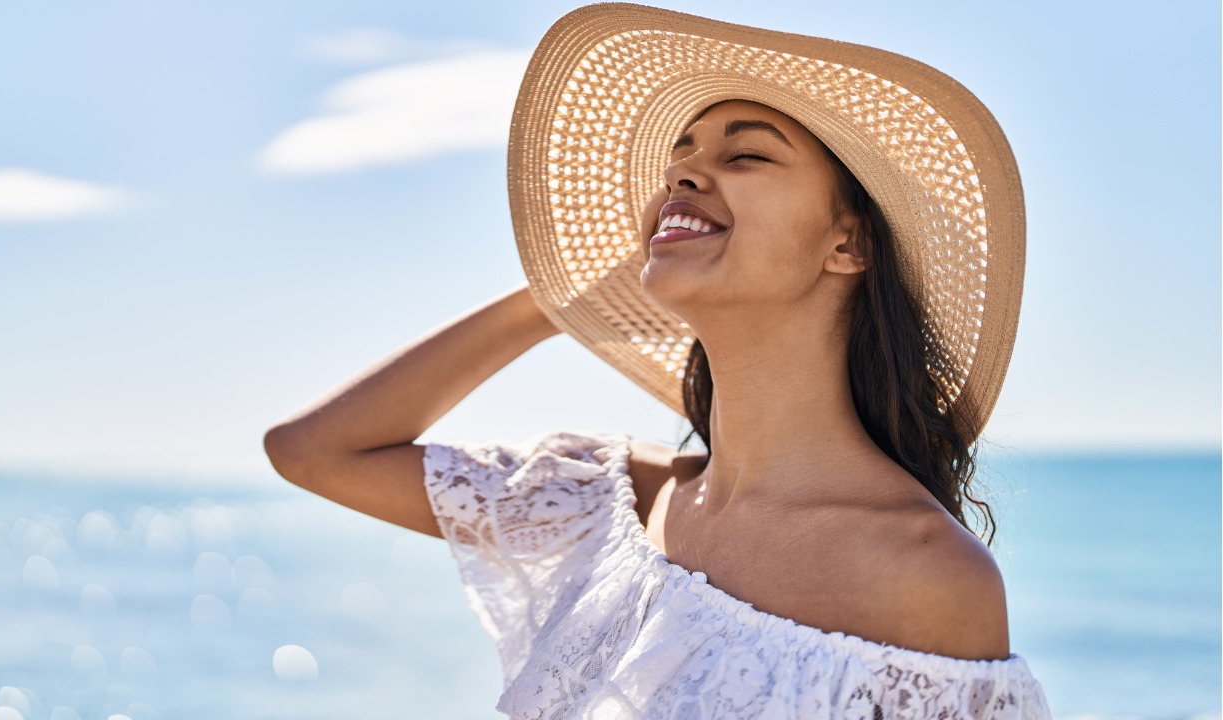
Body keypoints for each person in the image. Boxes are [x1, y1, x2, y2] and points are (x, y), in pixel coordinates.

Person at [264, 4, 1052, 718]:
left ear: (848, 243)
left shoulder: (923, 577)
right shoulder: (610, 509)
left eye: (745, 156)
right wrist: (557, 299)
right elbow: (312, 452)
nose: (682, 170)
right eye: (682, 154)